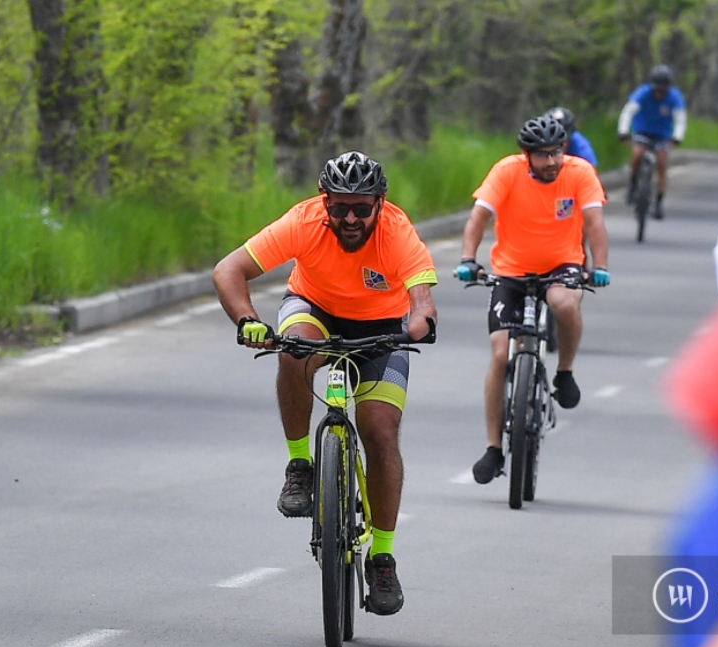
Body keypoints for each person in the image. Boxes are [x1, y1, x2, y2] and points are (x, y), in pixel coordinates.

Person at [212, 151, 438, 616]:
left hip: (381, 327)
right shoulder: (303, 221)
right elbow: (227, 270)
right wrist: (247, 320)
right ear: (324, 202)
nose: (350, 218)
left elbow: (421, 302)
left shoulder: (398, 232)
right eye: (339, 207)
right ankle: (300, 467)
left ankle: (382, 557)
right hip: (314, 308)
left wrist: (420, 324)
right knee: (293, 349)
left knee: (379, 429)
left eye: (361, 207)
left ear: (381, 202)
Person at [454, 115, 610, 484]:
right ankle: (494, 448)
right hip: (510, 271)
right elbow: (478, 218)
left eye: (556, 152)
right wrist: (466, 259)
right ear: (527, 157)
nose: (552, 161)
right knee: (498, 354)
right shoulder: (507, 172)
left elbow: (594, 223)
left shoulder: (580, 172)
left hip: (562, 265)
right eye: (542, 155)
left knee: (564, 304)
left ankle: (565, 373)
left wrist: (599, 265)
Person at [617, 64, 687, 220]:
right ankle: (633, 184)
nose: (659, 94)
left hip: (662, 135)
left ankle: (659, 203)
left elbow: (680, 119)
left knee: (662, 163)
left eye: (663, 90)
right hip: (642, 131)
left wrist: (677, 137)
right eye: (657, 90)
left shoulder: (675, 97)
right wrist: (623, 131)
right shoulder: (643, 92)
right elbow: (628, 112)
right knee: (637, 154)